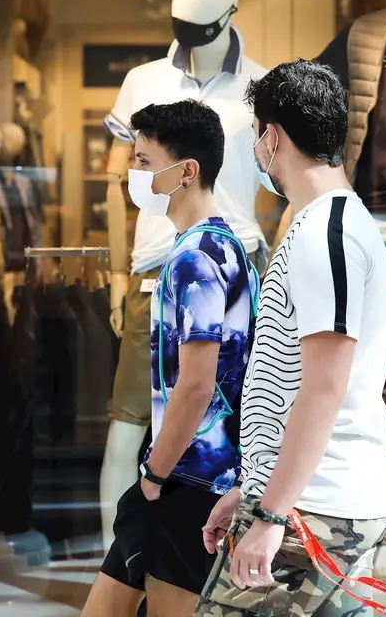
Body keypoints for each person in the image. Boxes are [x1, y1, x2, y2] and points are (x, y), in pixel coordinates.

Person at [195, 59, 386, 616]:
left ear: (273, 136)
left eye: (258, 136)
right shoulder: (327, 225)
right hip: (311, 500)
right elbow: (291, 383)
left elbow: (323, 390)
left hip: (318, 508)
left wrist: (271, 514)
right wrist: (254, 488)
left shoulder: (325, 236)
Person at [82, 100, 257, 617]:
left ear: (186, 171)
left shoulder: (194, 259)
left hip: (187, 480)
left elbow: (197, 385)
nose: (133, 174)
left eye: (142, 161)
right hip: (196, 471)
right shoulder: (224, 246)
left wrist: (154, 476)